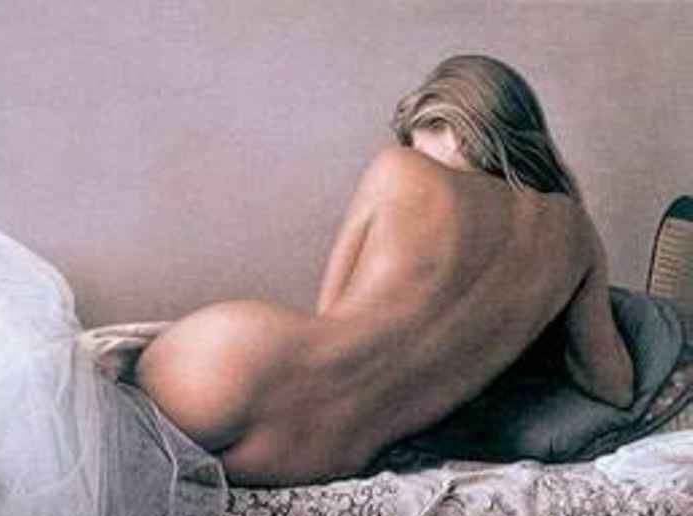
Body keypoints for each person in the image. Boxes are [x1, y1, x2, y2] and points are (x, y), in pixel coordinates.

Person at [137, 54, 635, 487]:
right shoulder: (576, 234)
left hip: (235, 362)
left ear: (459, 125)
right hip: (320, 454)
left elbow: (331, 308)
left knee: (115, 437)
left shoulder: (400, 168)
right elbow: (612, 385)